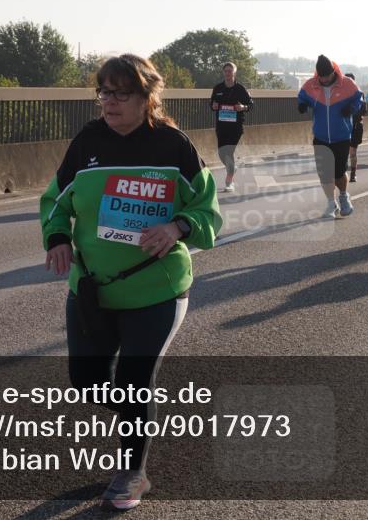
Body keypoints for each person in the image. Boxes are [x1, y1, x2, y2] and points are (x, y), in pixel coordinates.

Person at [41, 54, 221, 512]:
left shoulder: (173, 146)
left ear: (147, 97)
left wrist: (176, 228)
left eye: (122, 93)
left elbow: (208, 212)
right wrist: (58, 237)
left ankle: (132, 472)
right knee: (87, 383)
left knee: (135, 381)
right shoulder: (87, 142)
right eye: (104, 91)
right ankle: (138, 420)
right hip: (93, 288)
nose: (110, 101)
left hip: (156, 288)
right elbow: (55, 202)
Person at [297, 55, 364, 218]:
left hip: (341, 136)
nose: (324, 79)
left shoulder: (347, 84)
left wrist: (351, 108)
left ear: (333, 71)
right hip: (320, 136)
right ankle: (330, 203)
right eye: (321, 76)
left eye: (327, 76)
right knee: (324, 173)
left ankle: (343, 196)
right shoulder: (310, 85)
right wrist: (302, 105)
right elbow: (301, 96)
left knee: (338, 173)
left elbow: (359, 99)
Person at [209, 62, 253, 193]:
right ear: (223, 72)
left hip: (236, 127)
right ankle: (232, 169)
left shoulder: (241, 89)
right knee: (222, 154)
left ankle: (229, 182)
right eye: (226, 71)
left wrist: (243, 107)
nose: (228, 73)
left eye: (230, 71)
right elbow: (211, 103)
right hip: (221, 126)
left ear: (234, 73)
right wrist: (214, 106)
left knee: (228, 152)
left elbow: (251, 105)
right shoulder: (218, 88)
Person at [346, 74, 364, 182]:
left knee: (352, 152)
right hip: (342, 126)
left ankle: (353, 173)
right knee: (342, 152)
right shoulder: (339, 94)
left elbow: (363, 110)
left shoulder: (359, 94)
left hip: (356, 126)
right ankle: (342, 174)